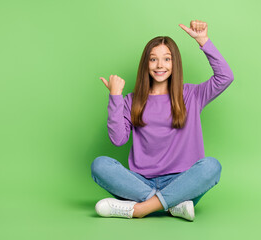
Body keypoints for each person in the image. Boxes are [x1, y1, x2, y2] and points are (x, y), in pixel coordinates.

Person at [91, 20, 234, 221]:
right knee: (100, 165)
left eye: (167, 59)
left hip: (183, 183)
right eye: (153, 59)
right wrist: (115, 97)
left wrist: (204, 41)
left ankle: (140, 209)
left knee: (211, 166)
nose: (160, 65)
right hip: (141, 183)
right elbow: (118, 140)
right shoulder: (132, 100)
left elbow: (225, 77)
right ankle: (171, 207)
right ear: (146, 64)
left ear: (175, 63)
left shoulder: (191, 95)